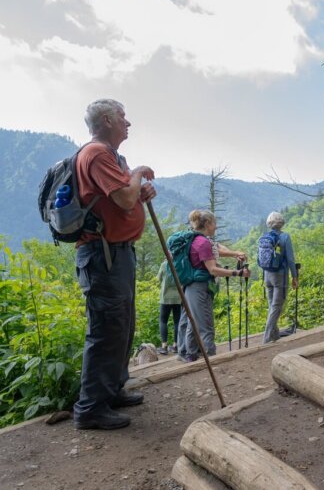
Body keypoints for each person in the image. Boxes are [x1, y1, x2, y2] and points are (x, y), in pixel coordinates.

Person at [72, 99, 157, 430]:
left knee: (122, 324)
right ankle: (90, 408)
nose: (128, 122)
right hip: (102, 256)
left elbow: (126, 197)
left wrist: (140, 191)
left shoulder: (111, 157)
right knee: (106, 327)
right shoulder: (96, 154)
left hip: (118, 254)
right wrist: (136, 176)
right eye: (122, 116)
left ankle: (111, 390)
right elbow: (123, 197)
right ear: (106, 120)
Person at [177, 210, 248, 362]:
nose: (216, 227)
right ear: (208, 224)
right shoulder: (202, 242)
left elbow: (213, 252)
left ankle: (191, 356)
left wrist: (234, 253)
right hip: (199, 287)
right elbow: (213, 269)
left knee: (193, 322)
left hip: (192, 287)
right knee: (206, 326)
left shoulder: (197, 239)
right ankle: (210, 358)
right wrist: (238, 273)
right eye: (214, 223)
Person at [262, 212, 298, 343]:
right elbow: (290, 259)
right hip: (280, 276)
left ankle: (275, 334)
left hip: (267, 275)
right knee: (277, 306)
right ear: (281, 223)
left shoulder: (264, 236)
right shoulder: (284, 237)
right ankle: (266, 339)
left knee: (272, 305)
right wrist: (294, 276)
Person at [156, 260, 181, 355]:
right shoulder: (180, 262)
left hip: (165, 297)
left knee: (163, 321)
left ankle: (164, 346)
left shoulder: (164, 264)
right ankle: (176, 345)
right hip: (178, 297)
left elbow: (159, 278)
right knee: (177, 321)